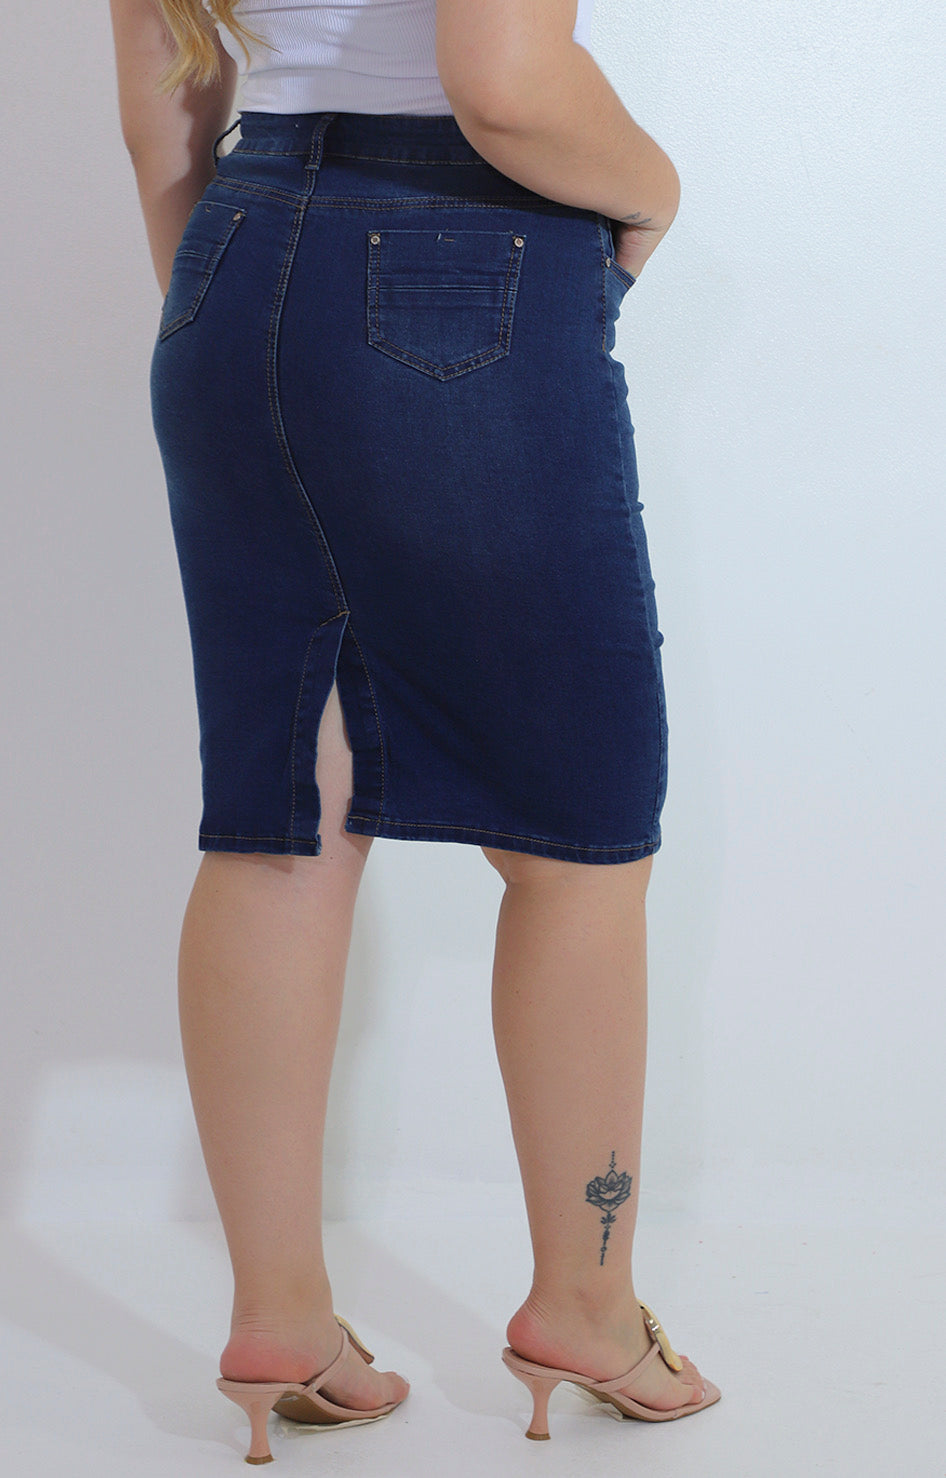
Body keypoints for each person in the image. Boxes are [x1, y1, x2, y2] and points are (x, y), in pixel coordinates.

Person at [108, 0, 720, 1463]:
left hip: (231, 259)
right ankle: (586, 1306)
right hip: (465, 253)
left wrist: (240, 290)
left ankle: (279, 1318)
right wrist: (652, 191)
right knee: (579, 838)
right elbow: (502, 84)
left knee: (282, 818)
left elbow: (159, 113)